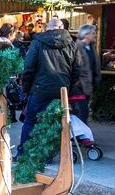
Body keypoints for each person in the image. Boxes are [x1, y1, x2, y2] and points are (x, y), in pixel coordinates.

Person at [18, 19, 79, 161]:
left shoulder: (38, 42)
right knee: (54, 123)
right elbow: (77, 69)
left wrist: (26, 89)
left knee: (31, 121)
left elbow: (28, 68)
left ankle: (23, 154)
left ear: (47, 28)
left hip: (40, 89)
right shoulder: (71, 43)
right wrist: (68, 88)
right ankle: (47, 156)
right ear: (61, 27)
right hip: (61, 91)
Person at [74, 24, 101, 124]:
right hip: (80, 86)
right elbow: (75, 66)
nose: (95, 35)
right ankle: (81, 136)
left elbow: (94, 65)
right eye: (93, 33)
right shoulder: (77, 47)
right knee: (82, 111)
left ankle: (83, 134)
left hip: (89, 84)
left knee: (85, 111)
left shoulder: (91, 47)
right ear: (86, 35)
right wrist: (78, 82)